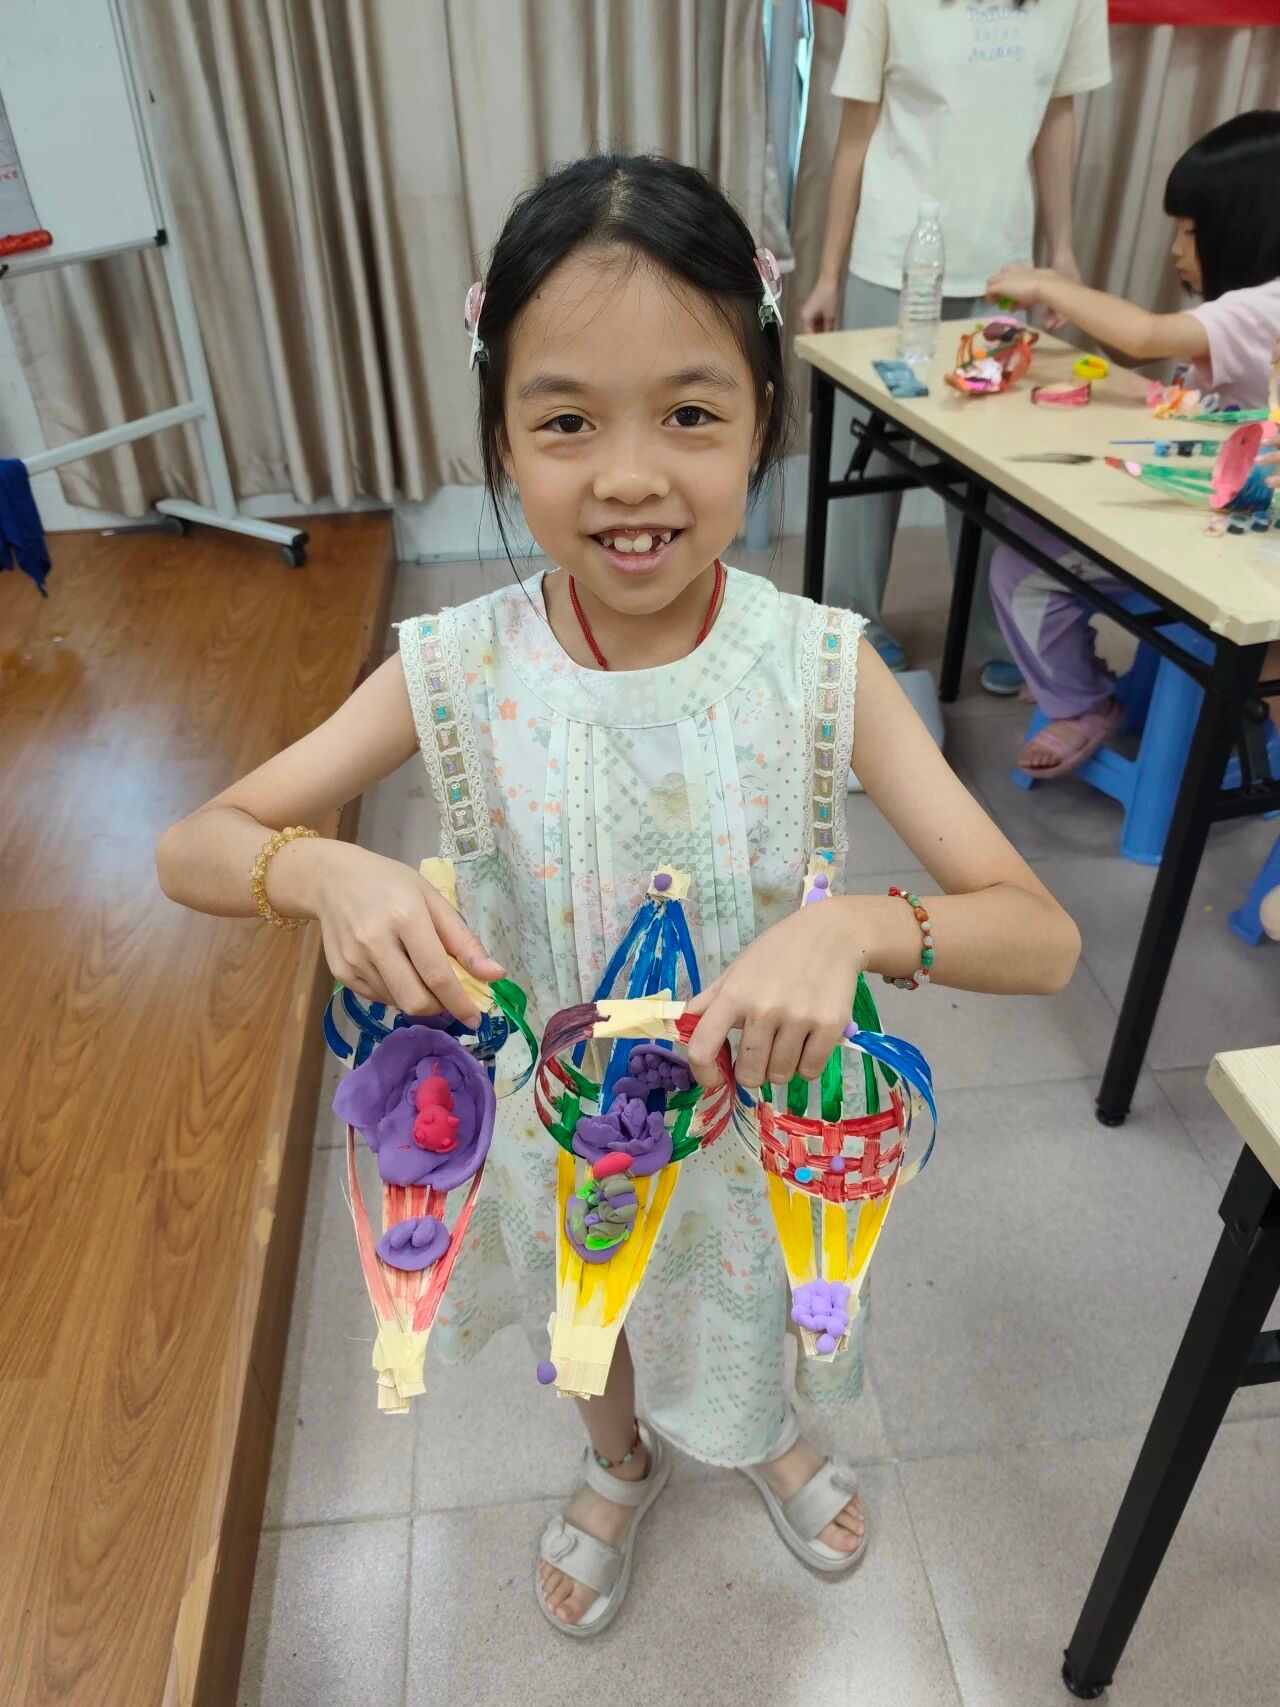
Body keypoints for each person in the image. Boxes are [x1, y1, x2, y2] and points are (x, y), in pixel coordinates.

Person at [156, 155, 1080, 1635]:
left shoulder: (821, 667)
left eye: (690, 414)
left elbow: (1039, 938)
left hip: (753, 1129)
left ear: (764, 420)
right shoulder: (455, 667)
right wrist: (316, 864)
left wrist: (858, 925)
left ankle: (763, 1432)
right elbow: (194, 845)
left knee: (750, 1300)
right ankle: (619, 1457)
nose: (631, 475)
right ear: (501, 439)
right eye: (567, 419)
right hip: (556, 1122)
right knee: (585, 1308)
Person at [801, 0, 1110, 691]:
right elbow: (854, 135)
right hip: (893, 257)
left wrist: (1061, 250)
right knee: (861, 451)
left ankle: (993, 630)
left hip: (1001, 259)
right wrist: (828, 275)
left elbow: (1056, 117)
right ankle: (852, 622)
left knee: (991, 464)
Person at [986, 111, 1280, 778]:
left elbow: (1145, 337)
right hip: (1218, 517)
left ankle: (1082, 703)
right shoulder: (1251, 304)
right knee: (1029, 528)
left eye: (1189, 231)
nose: (1175, 249)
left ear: (1247, 224)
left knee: (1021, 567)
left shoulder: (1262, 307)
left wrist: (1049, 282)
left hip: (1233, 545)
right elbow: (1151, 353)